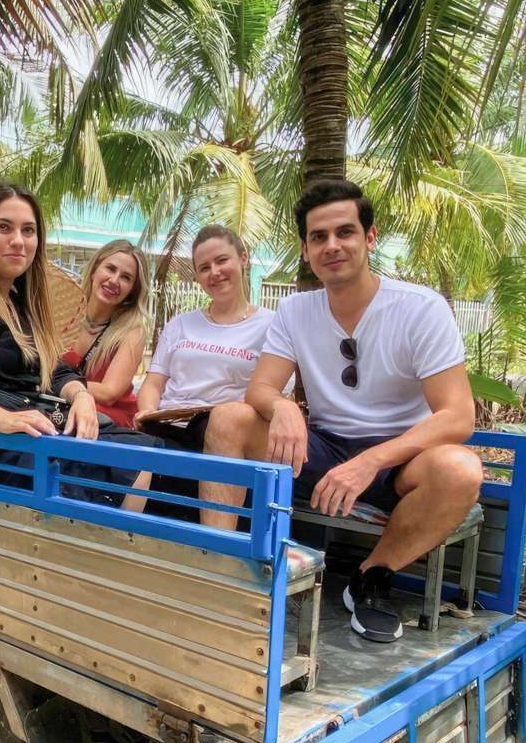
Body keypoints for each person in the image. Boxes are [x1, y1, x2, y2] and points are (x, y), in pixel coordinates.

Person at [203, 179, 483, 643]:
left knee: (460, 469)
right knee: (228, 418)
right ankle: (222, 571)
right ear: (306, 248)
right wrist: (283, 408)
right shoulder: (295, 310)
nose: (332, 245)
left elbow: (458, 417)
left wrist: (372, 460)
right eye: (319, 237)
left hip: (399, 461)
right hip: (324, 451)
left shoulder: (420, 309)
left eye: (345, 232)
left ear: (369, 238)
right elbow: (261, 389)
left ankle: (371, 578)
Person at [0, 183, 156, 498]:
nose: (18, 240)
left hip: (25, 430)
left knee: (141, 453)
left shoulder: (18, 300)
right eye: (4, 227)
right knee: (116, 465)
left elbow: (53, 369)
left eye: (28, 230)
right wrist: (2, 419)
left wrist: (82, 397)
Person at [134, 225, 278, 523]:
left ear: (243, 259)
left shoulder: (271, 325)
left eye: (222, 261)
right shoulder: (181, 325)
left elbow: (273, 394)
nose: (215, 272)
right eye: (204, 267)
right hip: (168, 425)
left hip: (221, 434)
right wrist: (147, 412)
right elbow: (154, 383)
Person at [63, 239, 148, 430]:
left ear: (132, 292)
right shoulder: (63, 314)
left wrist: (59, 385)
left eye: (126, 277)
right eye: (110, 269)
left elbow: (109, 393)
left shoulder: (133, 331)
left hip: (106, 420)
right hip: (58, 407)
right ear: (94, 270)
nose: (114, 280)